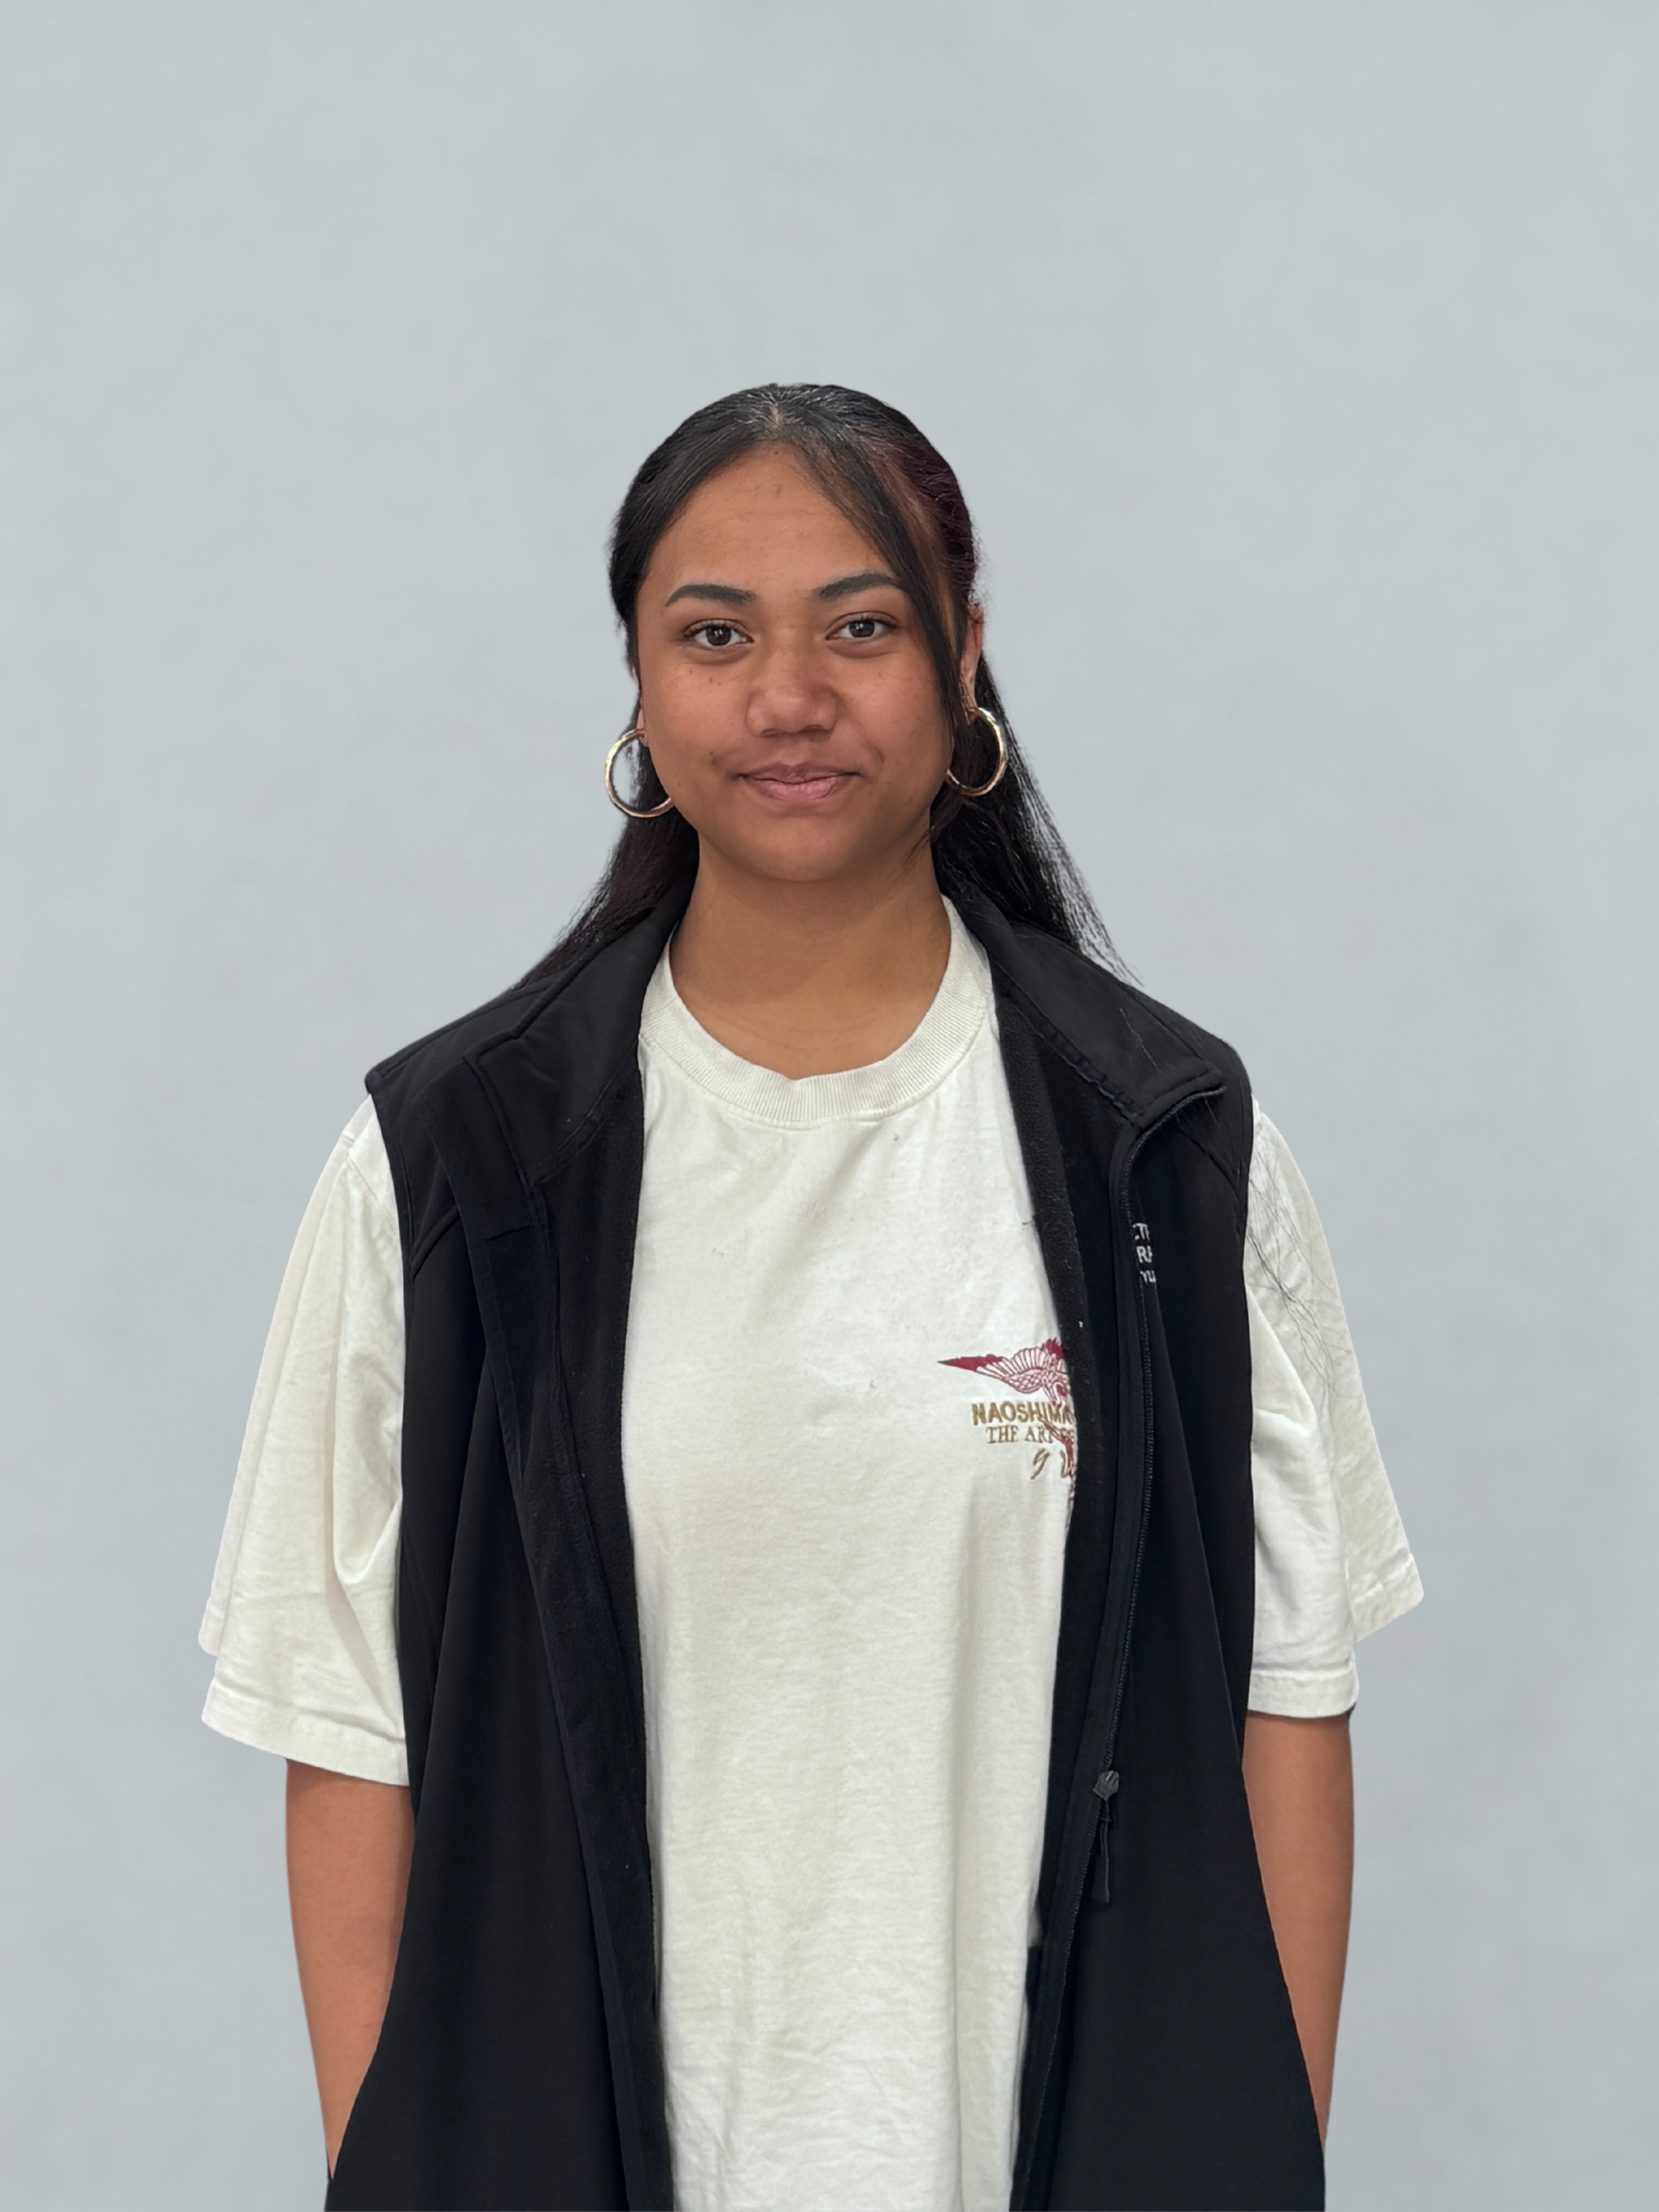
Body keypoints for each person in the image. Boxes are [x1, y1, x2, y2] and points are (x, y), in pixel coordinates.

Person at [200, 384, 1421, 2211]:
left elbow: (1285, 1707)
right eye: (714, 634)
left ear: (964, 660)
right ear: (634, 676)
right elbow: (346, 1737)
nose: (788, 696)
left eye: (860, 624)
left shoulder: (1169, 1147)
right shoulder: (451, 1166)